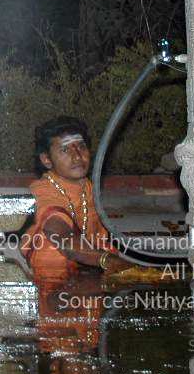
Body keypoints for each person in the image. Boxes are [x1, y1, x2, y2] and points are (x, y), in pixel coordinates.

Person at [22, 116, 132, 280]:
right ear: (46, 160)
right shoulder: (42, 190)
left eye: (81, 146)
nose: (77, 156)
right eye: (65, 150)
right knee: (51, 248)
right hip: (54, 277)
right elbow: (63, 239)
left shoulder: (88, 186)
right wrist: (107, 260)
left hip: (87, 266)